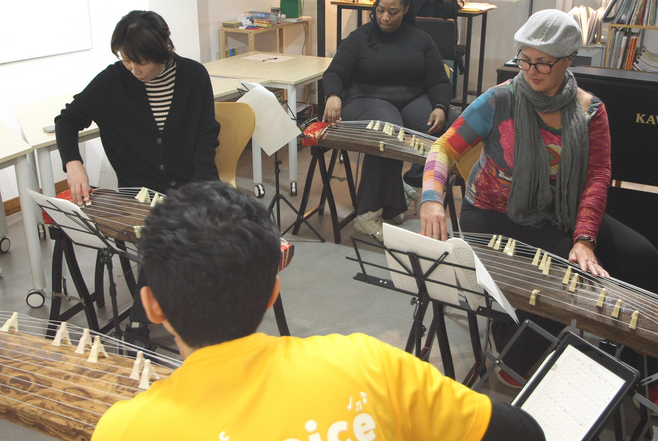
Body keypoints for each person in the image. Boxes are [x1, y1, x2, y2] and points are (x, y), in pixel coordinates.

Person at [91, 181, 545, 441]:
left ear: (152, 306)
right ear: (273, 292)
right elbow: (522, 434)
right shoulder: (370, 365)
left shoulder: (123, 430)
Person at [419, 9, 658, 412]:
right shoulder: (500, 99)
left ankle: (640, 371)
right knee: (562, 264)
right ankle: (523, 362)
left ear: (569, 60)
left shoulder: (590, 110)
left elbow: (596, 177)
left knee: (642, 258)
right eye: (525, 59)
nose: (530, 71)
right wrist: (432, 196)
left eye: (542, 63)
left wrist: (585, 237)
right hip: (493, 215)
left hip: (561, 211)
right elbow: (443, 147)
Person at [55, 10, 220, 346]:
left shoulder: (193, 76)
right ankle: (147, 318)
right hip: (140, 190)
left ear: (163, 51)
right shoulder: (113, 81)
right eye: (125, 60)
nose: (132, 69)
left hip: (192, 181)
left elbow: (206, 134)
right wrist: (73, 163)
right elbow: (67, 120)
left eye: (139, 62)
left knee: (189, 228)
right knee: (164, 232)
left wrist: (201, 189)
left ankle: (145, 320)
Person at [321, 0, 456, 240]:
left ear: (406, 9)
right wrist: (333, 95)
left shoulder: (421, 39)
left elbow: (438, 80)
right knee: (387, 128)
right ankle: (367, 213)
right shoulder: (359, 38)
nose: (384, 17)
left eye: (393, 12)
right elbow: (334, 72)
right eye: (380, 10)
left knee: (453, 126)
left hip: (410, 99)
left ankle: (410, 185)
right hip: (364, 99)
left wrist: (440, 106)